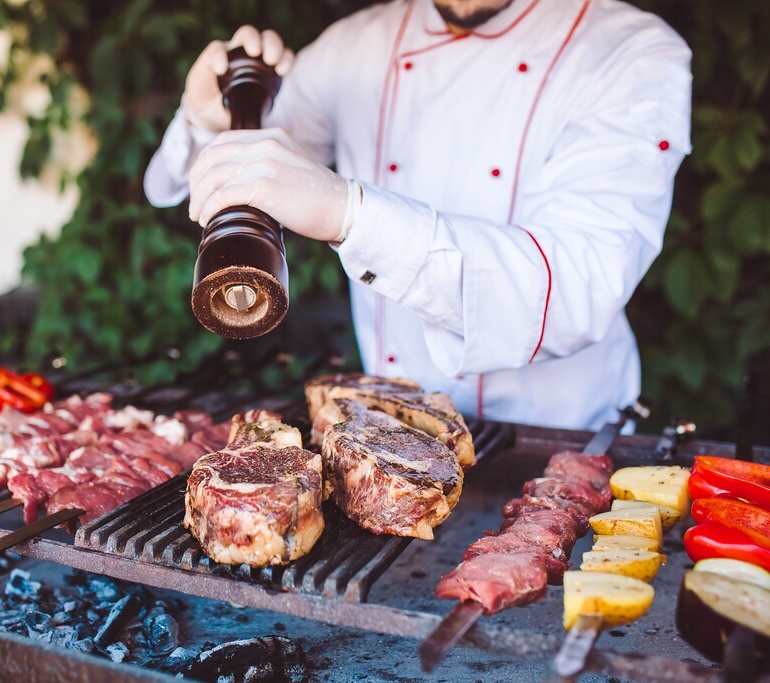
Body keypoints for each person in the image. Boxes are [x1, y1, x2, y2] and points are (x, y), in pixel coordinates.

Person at [144, 0, 692, 430]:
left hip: (562, 439)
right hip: (392, 440)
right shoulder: (356, 46)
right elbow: (233, 170)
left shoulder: (631, 52)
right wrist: (205, 119)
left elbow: (575, 286)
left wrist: (345, 211)